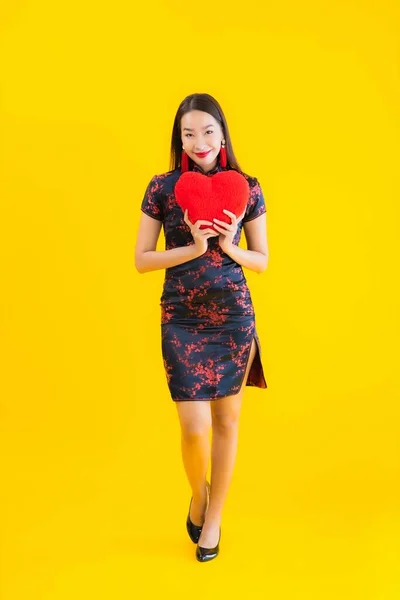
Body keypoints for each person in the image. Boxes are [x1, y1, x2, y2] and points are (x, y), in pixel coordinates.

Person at [135, 93, 269, 562]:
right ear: (179, 139)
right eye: (188, 134)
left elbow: (263, 260)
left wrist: (229, 246)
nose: (199, 142)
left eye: (208, 132)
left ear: (223, 134)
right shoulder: (161, 187)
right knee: (193, 427)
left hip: (233, 315)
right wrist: (192, 249)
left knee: (227, 421)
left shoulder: (247, 187)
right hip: (182, 316)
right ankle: (199, 494)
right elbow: (141, 260)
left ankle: (214, 520)